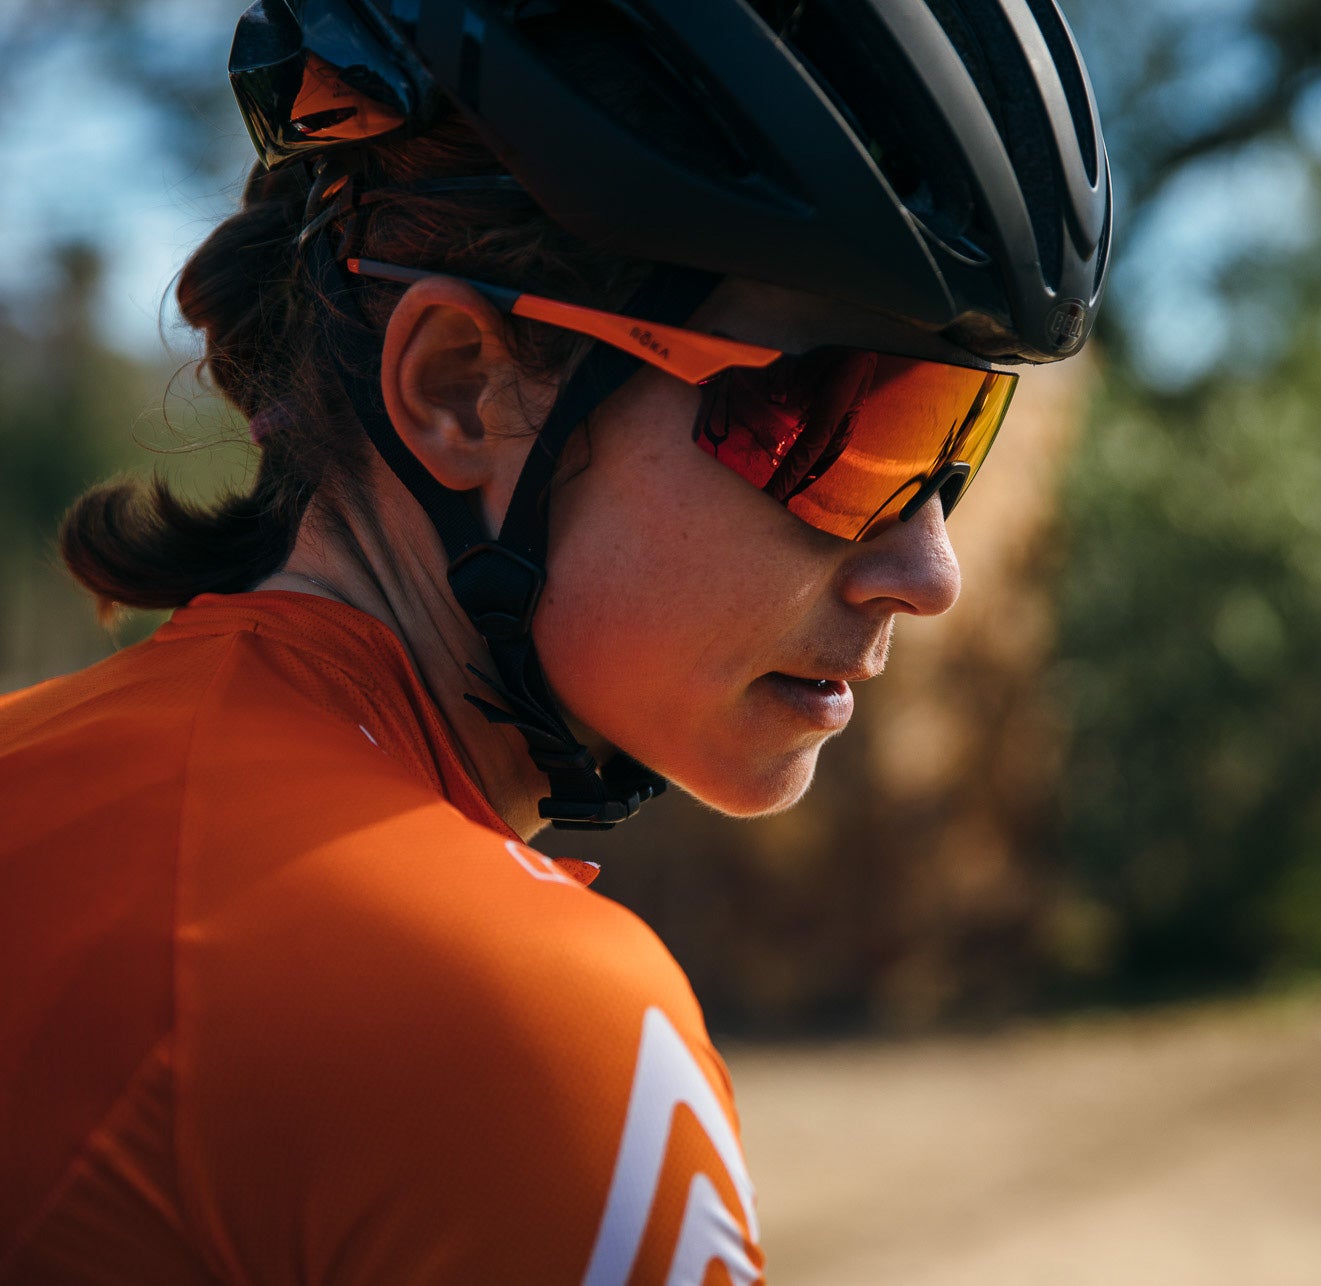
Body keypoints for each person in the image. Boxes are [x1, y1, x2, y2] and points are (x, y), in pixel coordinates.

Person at [0, 0, 1110, 1281]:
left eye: (953, 438)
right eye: (845, 426)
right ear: (460, 389)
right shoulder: (503, 1019)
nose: (930, 574)